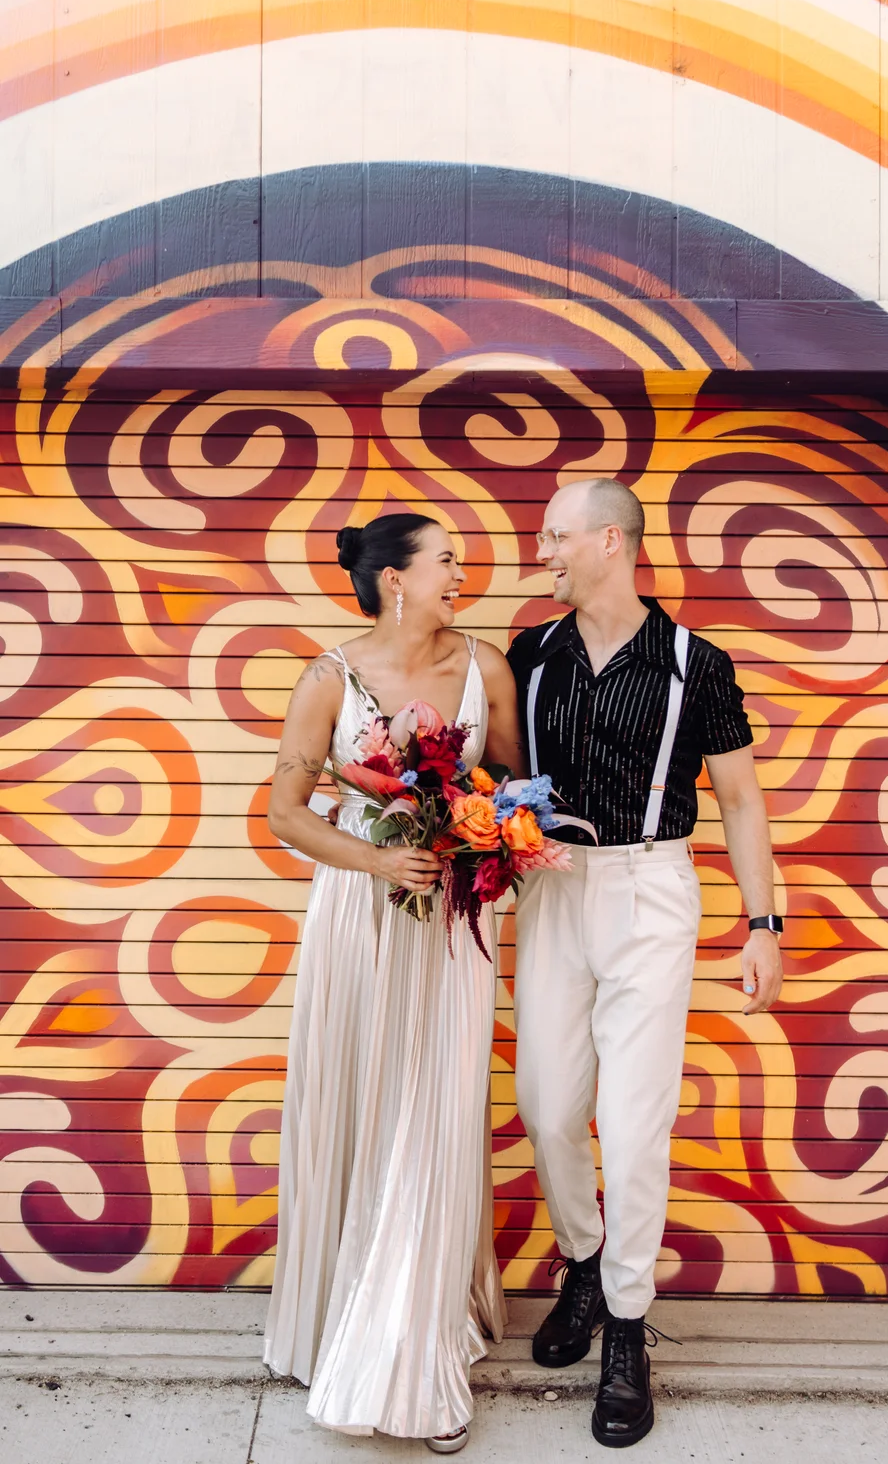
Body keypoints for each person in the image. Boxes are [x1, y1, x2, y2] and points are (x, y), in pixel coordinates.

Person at [507, 478, 784, 1449]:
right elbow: (500, 774)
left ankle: (625, 1326)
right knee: (546, 1106)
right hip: (551, 887)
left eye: (556, 533)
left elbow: (742, 802)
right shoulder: (529, 652)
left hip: (649, 893)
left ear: (611, 542)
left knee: (631, 1129)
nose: (542, 548)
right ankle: (584, 1256)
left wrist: (764, 922)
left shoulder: (693, 664)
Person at [263, 512, 522, 1454]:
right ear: (395, 578)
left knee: (437, 1113)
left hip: (452, 920)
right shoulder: (326, 680)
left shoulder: (485, 667)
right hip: (362, 920)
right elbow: (287, 811)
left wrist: (466, 826)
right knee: (368, 1102)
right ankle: (350, 1321)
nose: (463, 571)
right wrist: (379, 860)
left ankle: (422, 1338)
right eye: (447, 558)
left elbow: (512, 788)